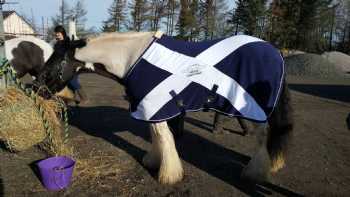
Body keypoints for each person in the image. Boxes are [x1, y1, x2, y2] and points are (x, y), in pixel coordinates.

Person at [52, 25, 89, 105]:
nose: (57, 36)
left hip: (71, 65)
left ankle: (84, 98)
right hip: (61, 67)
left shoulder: (67, 42)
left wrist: (84, 41)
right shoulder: (56, 44)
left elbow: (76, 43)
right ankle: (70, 98)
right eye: (56, 34)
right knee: (67, 84)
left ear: (63, 33)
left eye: (58, 34)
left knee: (73, 81)